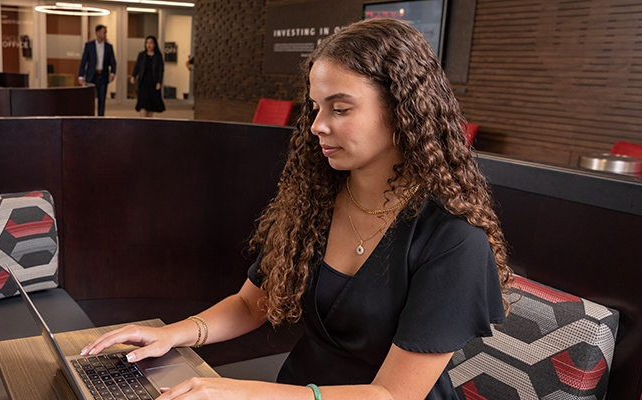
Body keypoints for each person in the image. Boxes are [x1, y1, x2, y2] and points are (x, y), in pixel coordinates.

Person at [81, 18, 512, 399]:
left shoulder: (453, 239)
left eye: (339, 108)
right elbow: (253, 304)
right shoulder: (316, 200)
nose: (317, 125)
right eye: (315, 107)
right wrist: (170, 334)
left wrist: (243, 392)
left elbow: (391, 394)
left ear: (404, 111)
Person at [78, 25, 117, 117]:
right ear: (97, 33)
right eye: (104, 32)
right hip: (91, 75)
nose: (105, 34)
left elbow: (113, 62)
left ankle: (100, 117)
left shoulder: (108, 47)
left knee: (102, 98)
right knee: (89, 98)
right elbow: (84, 61)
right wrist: (81, 75)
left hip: (102, 75)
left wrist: (112, 73)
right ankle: (89, 116)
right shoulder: (89, 45)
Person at [130, 36, 165, 118]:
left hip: (153, 83)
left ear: (155, 44)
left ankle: (149, 122)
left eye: (151, 43)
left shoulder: (158, 56)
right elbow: (137, 67)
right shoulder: (142, 55)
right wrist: (133, 76)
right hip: (143, 82)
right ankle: (142, 121)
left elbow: (160, 70)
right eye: (147, 43)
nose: (149, 45)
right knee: (143, 103)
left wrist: (159, 82)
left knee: (151, 105)